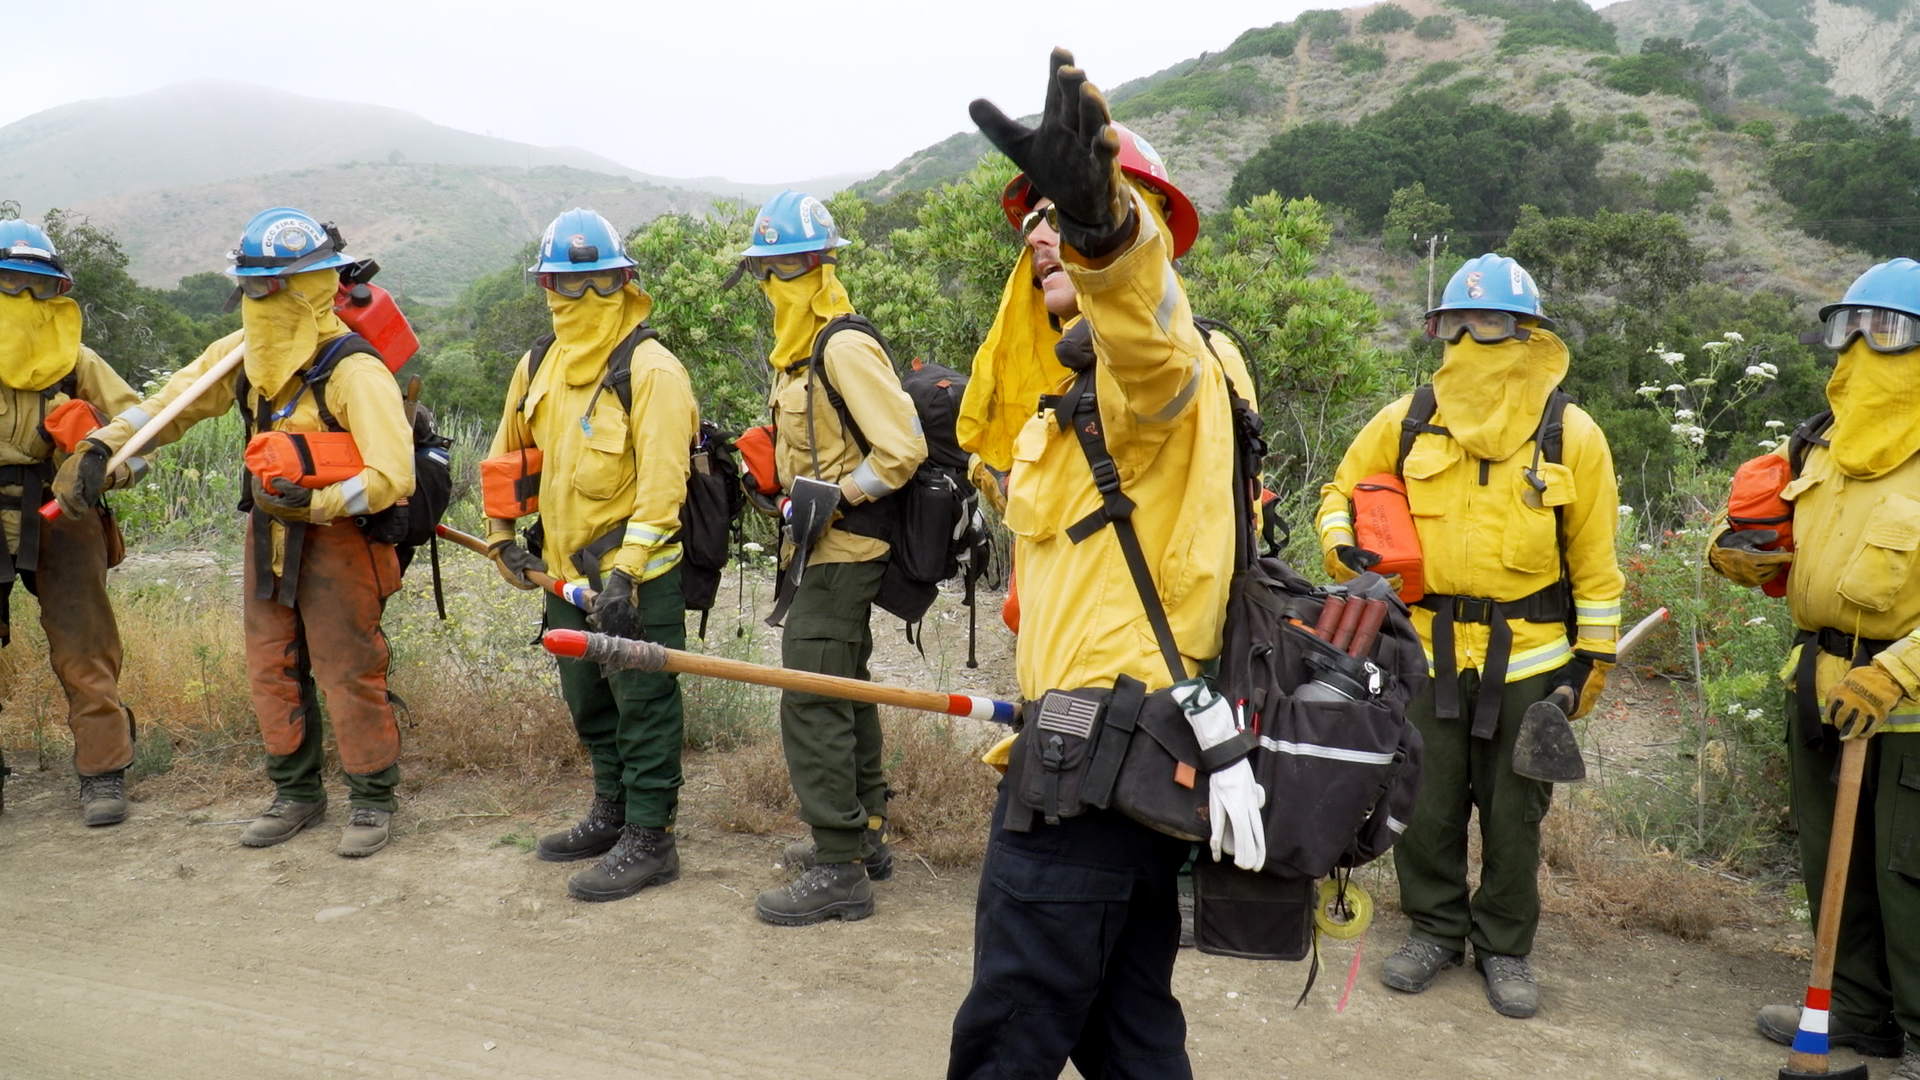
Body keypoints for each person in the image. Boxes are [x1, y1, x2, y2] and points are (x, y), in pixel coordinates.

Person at [946, 50, 1247, 1078]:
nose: (1041, 235)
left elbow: (1150, 346)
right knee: (1129, 1033)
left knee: (1010, 1036)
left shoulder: (1158, 370)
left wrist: (1103, 227)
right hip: (1122, 756)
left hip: (1096, 756)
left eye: (1057, 217)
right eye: (1034, 222)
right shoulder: (1076, 398)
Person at [1317, 254, 1624, 1019]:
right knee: (1423, 800)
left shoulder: (1571, 433)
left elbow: (1595, 560)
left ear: (1527, 335)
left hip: (1532, 659)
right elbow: (1340, 491)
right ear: (1438, 331)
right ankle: (1433, 929)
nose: (1472, 340)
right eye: (1458, 325)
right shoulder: (1408, 418)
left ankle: (1506, 949)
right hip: (1424, 651)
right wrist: (1343, 549)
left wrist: (1594, 658)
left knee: (1516, 812)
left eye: (1491, 325)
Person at [61, 207, 414, 857]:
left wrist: (323, 501)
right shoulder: (244, 354)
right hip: (272, 535)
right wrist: (101, 449)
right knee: (271, 668)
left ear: (305, 286)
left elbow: (393, 474)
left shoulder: (354, 370)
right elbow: (171, 402)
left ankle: (371, 801)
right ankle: (296, 794)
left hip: (342, 540)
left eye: (264, 285)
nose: (253, 299)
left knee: (348, 669)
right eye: (247, 286)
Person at [1711, 258, 1920, 1072]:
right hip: (1821, 679)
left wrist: (1896, 675)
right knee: (1834, 862)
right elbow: (1793, 549)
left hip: (1904, 700)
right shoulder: (1821, 443)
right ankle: (1860, 1016)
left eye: (1890, 331)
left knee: (1908, 876)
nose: (1862, 348)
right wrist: (1747, 556)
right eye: (1849, 328)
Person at [485, 208, 698, 903]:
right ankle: (609, 813)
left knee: (644, 708)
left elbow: (664, 493)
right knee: (588, 703)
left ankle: (649, 839)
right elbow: (507, 457)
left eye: (595, 283)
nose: (575, 300)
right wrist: (501, 538)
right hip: (564, 578)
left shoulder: (653, 371)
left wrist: (627, 578)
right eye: (560, 284)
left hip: (635, 584)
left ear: (624, 281)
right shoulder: (537, 364)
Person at [739, 189, 927, 926]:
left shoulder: (841, 346)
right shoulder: (797, 356)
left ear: (819, 266)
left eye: (787, 265)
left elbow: (902, 449)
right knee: (844, 685)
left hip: (846, 547)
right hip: (818, 547)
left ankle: (839, 864)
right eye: (766, 268)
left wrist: (838, 497)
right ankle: (867, 835)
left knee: (812, 695)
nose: (774, 281)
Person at [2, 219, 141, 826]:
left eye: (40, 286)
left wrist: (102, 469)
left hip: (64, 512)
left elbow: (144, 426)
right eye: (12, 282)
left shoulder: (77, 359)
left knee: (85, 644)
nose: (28, 298)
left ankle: (104, 774)